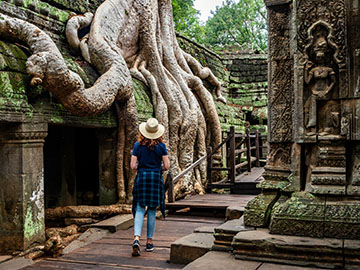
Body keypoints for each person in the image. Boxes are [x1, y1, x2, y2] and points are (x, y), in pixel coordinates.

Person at [130, 118, 170, 256]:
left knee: (140, 208)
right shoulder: (161, 147)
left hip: (142, 177)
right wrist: (158, 168)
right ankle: (149, 242)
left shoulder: (137, 146)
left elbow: (132, 166)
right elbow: (167, 166)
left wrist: (141, 166)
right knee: (152, 209)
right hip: (155, 178)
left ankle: (136, 238)